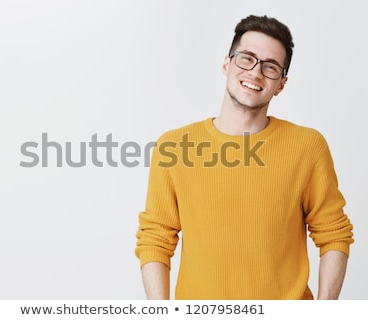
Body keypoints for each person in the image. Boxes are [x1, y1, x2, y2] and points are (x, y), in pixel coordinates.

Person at [134, 15, 354, 300]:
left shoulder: (307, 146)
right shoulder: (174, 147)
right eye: (246, 58)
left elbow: (334, 233)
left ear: (282, 84)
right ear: (227, 63)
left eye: (270, 66)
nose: (256, 72)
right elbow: (156, 238)